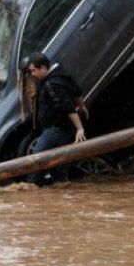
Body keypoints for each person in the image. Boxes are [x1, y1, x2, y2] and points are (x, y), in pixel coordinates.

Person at [25, 52, 88, 185]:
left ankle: (31, 191)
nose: (32, 74)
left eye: (33, 71)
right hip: (62, 127)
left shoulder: (51, 84)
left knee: (37, 158)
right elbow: (77, 92)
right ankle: (62, 187)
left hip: (56, 128)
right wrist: (81, 106)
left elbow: (67, 107)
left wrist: (79, 128)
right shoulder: (62, 74)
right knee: (58, 162)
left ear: (42, 68)